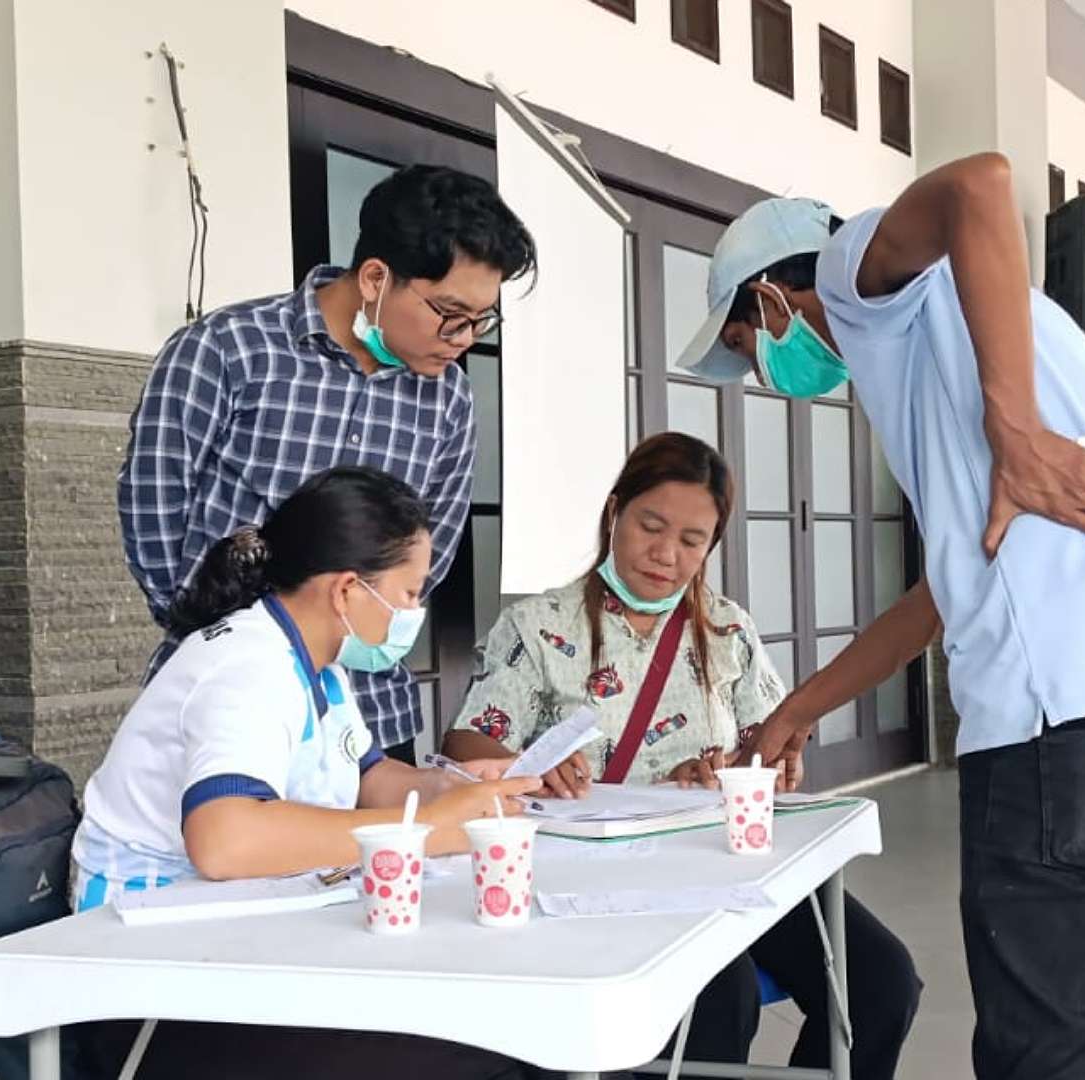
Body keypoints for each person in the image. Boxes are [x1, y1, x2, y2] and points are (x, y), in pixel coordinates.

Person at [672, 157, 1085, 1080]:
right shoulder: (974, 331)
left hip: (1057, 722)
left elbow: (981, 183)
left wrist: (1013, 433)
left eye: (748, 343)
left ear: (771, 298)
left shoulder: (857, 285)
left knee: (1040, 1049)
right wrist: (799, 710)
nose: (766, 371)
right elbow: (941, 598)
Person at [440, 432, 921, 1080]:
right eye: (650, 526)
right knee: (721, 1001)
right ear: (615, 513)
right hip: (587, 873)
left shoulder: (728, 631)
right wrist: (531, 766)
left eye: (692, 540)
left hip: (715, 865)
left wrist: (741, 772)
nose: (665, 555)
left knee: (883, 983)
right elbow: (466, 743)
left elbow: (770, 756)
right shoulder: (536, 625)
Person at [72, 466, 538, 1078]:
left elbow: (369, 775)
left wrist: (450, 788)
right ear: (346, 590)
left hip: (229, 944)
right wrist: (424, 830)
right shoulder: (249, 665)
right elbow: (225, 840)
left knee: (487, 1018)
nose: (414, 611)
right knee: (480, 1051)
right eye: (407, 593)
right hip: (149, 982)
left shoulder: (316, 660)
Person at [119, 164, 536, 765]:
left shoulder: (446, 397)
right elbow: (153, 514)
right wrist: (232, 637)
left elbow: (430, 551)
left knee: (380, 856)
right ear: (374, 277)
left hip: (369, 712)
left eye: (482, 319)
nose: (465, 337)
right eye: (450, 313)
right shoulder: (228, 350)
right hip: (227, 699)